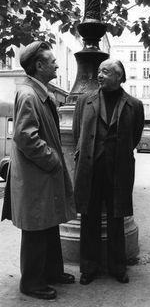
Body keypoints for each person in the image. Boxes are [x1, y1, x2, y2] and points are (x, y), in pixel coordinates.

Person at [1, 41, 76, 300]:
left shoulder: (37, 92)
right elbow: (25, 136)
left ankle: (52, 272)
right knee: (36, 229)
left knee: (48, 224)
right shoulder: (30, 94)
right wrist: (53, 159)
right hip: (37, 177)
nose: (57, 64)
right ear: (40, 66)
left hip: (40, 176)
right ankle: (31, 283)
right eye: (52, 60)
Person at [73, 59, 144, 285]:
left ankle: (117, 267)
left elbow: (135, 136)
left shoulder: (134, 104)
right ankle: (89, 267)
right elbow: (78, 133)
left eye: (105, 71)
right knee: (89, 218)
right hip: (90, 170)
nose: (99, 75)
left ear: (119, 76)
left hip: (118, 171)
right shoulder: (85, 101)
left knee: (117, 220)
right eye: (99, 71)